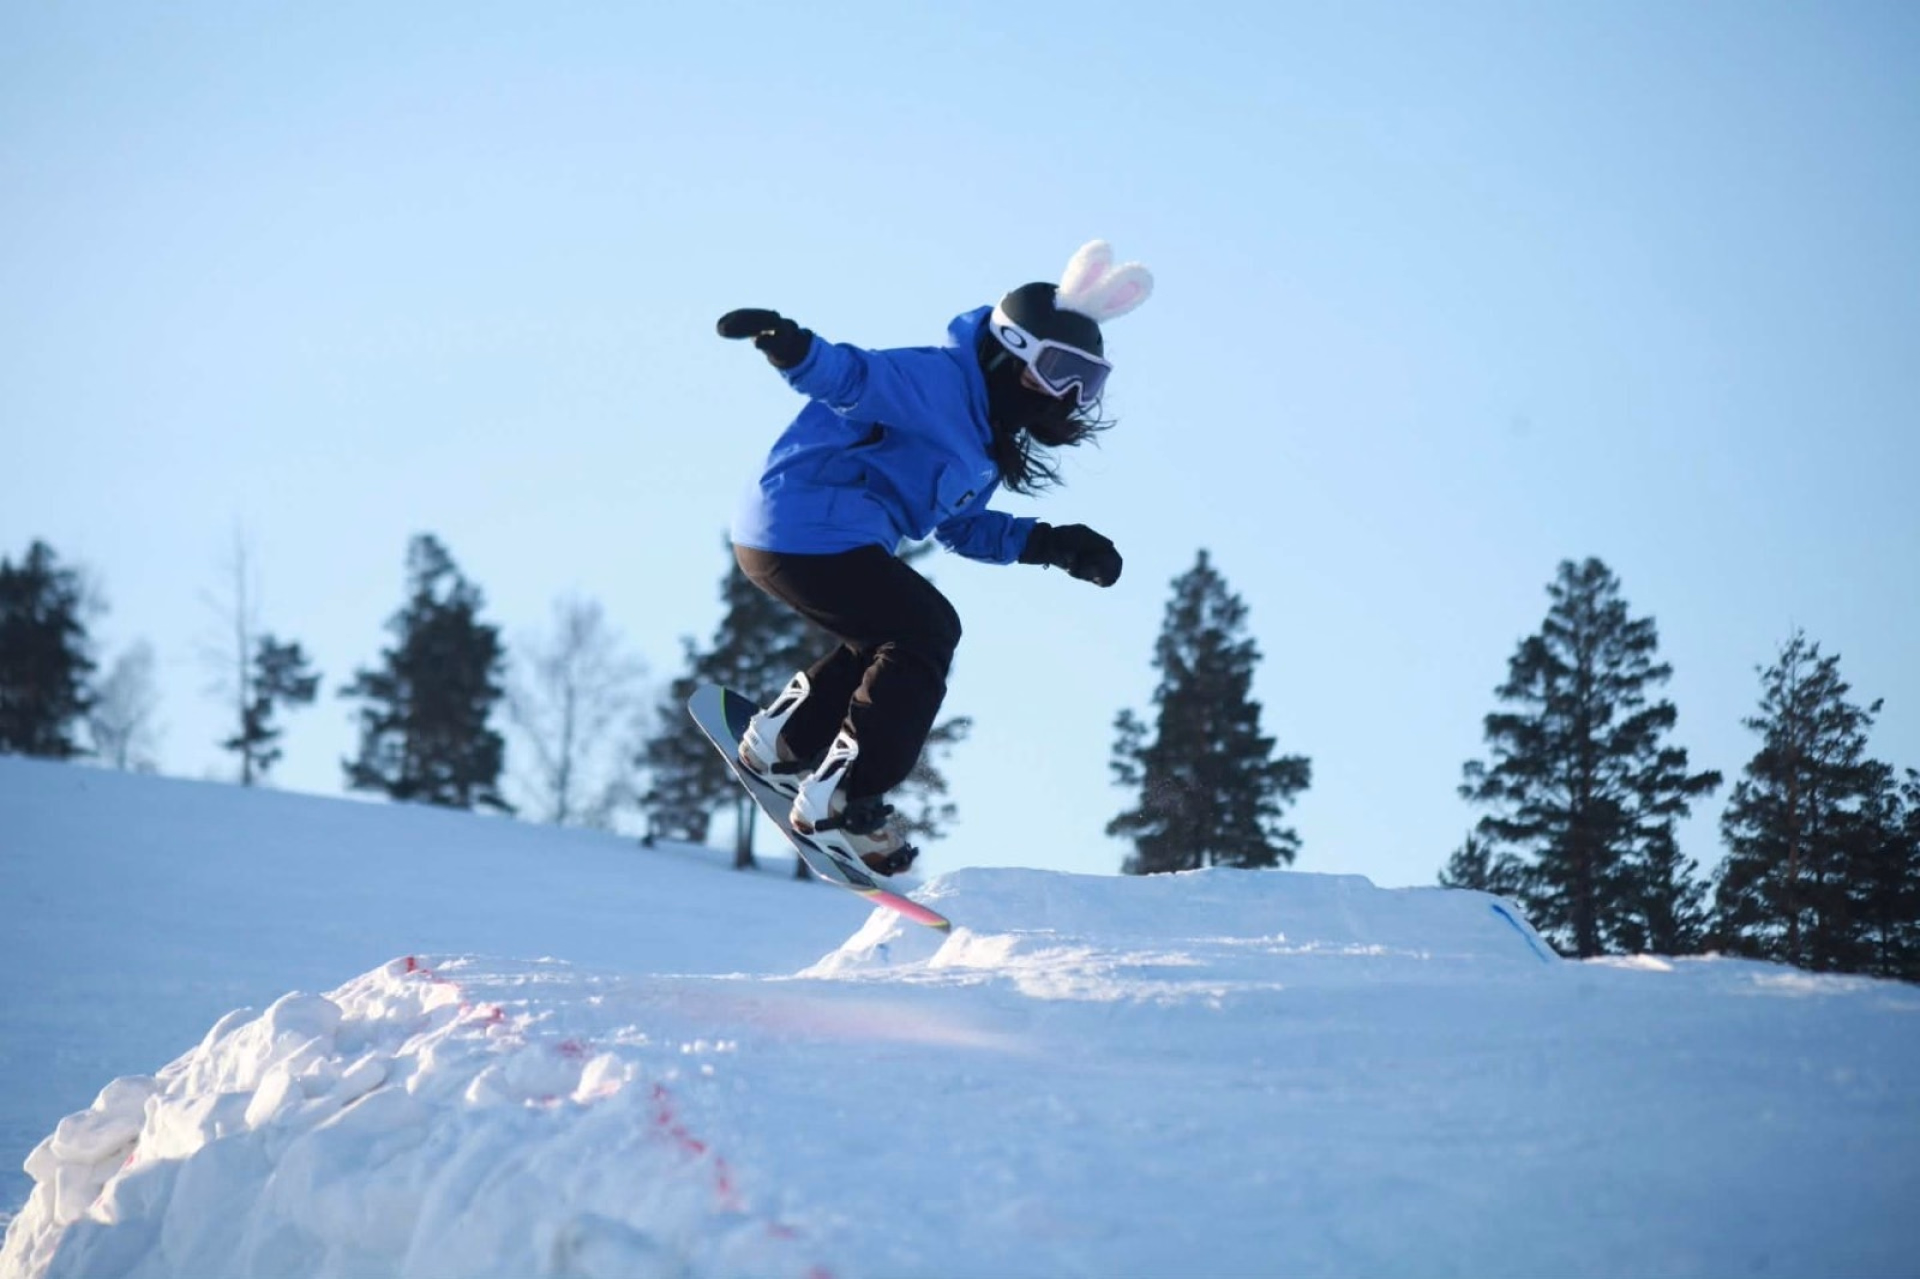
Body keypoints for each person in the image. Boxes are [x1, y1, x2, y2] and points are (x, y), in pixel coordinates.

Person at [718, 240, 1154, 875]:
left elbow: (960, 527)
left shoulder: (981, 437)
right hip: (809, 526)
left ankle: (784, 740)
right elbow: (853, 378)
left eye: (1084, 382)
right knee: (927, 630)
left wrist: (1054, 545)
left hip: (802, 536)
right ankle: (843, 798)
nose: (1064, 394)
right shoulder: (938, 380)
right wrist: (789, 344)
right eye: (1059, 368)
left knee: (890, 639)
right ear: (1012, 348)